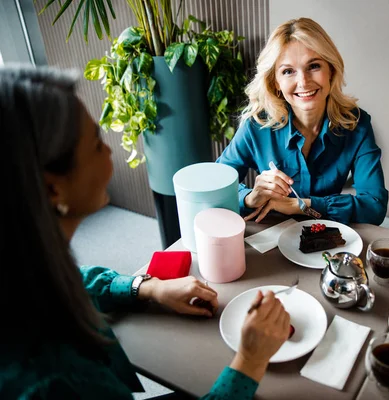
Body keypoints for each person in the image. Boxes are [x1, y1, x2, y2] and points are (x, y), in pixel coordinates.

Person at [0, 65, 290, 399]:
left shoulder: (28, 267)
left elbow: (80, 281)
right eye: (96, 144)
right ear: (53, 190)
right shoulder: (52, 382)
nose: (110, 152)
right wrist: (249, 361)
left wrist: (147, 288)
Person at [216, 17, 388, 225]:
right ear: (275, 82)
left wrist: (302, 205)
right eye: (288, 71)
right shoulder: (256, 125)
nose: (303, 82)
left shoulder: (357, 124)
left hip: (327, 237)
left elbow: (375, 207)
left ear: (331, 71)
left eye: (314, 66)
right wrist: (250, 198)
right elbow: (216, 186)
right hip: (270, 235)